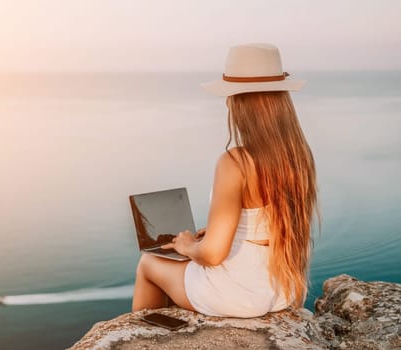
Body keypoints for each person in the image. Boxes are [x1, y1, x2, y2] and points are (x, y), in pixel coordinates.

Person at [131, 43, 318, 318]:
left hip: (237, 296)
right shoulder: (299, 156)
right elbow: (263, 225)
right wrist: (223, 229)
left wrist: (188, 246)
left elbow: (214, 255)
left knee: (149, 262)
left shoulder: (235, 162)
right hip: (282, 291)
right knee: (186, 264)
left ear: (238, 102)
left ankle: (144, 339)